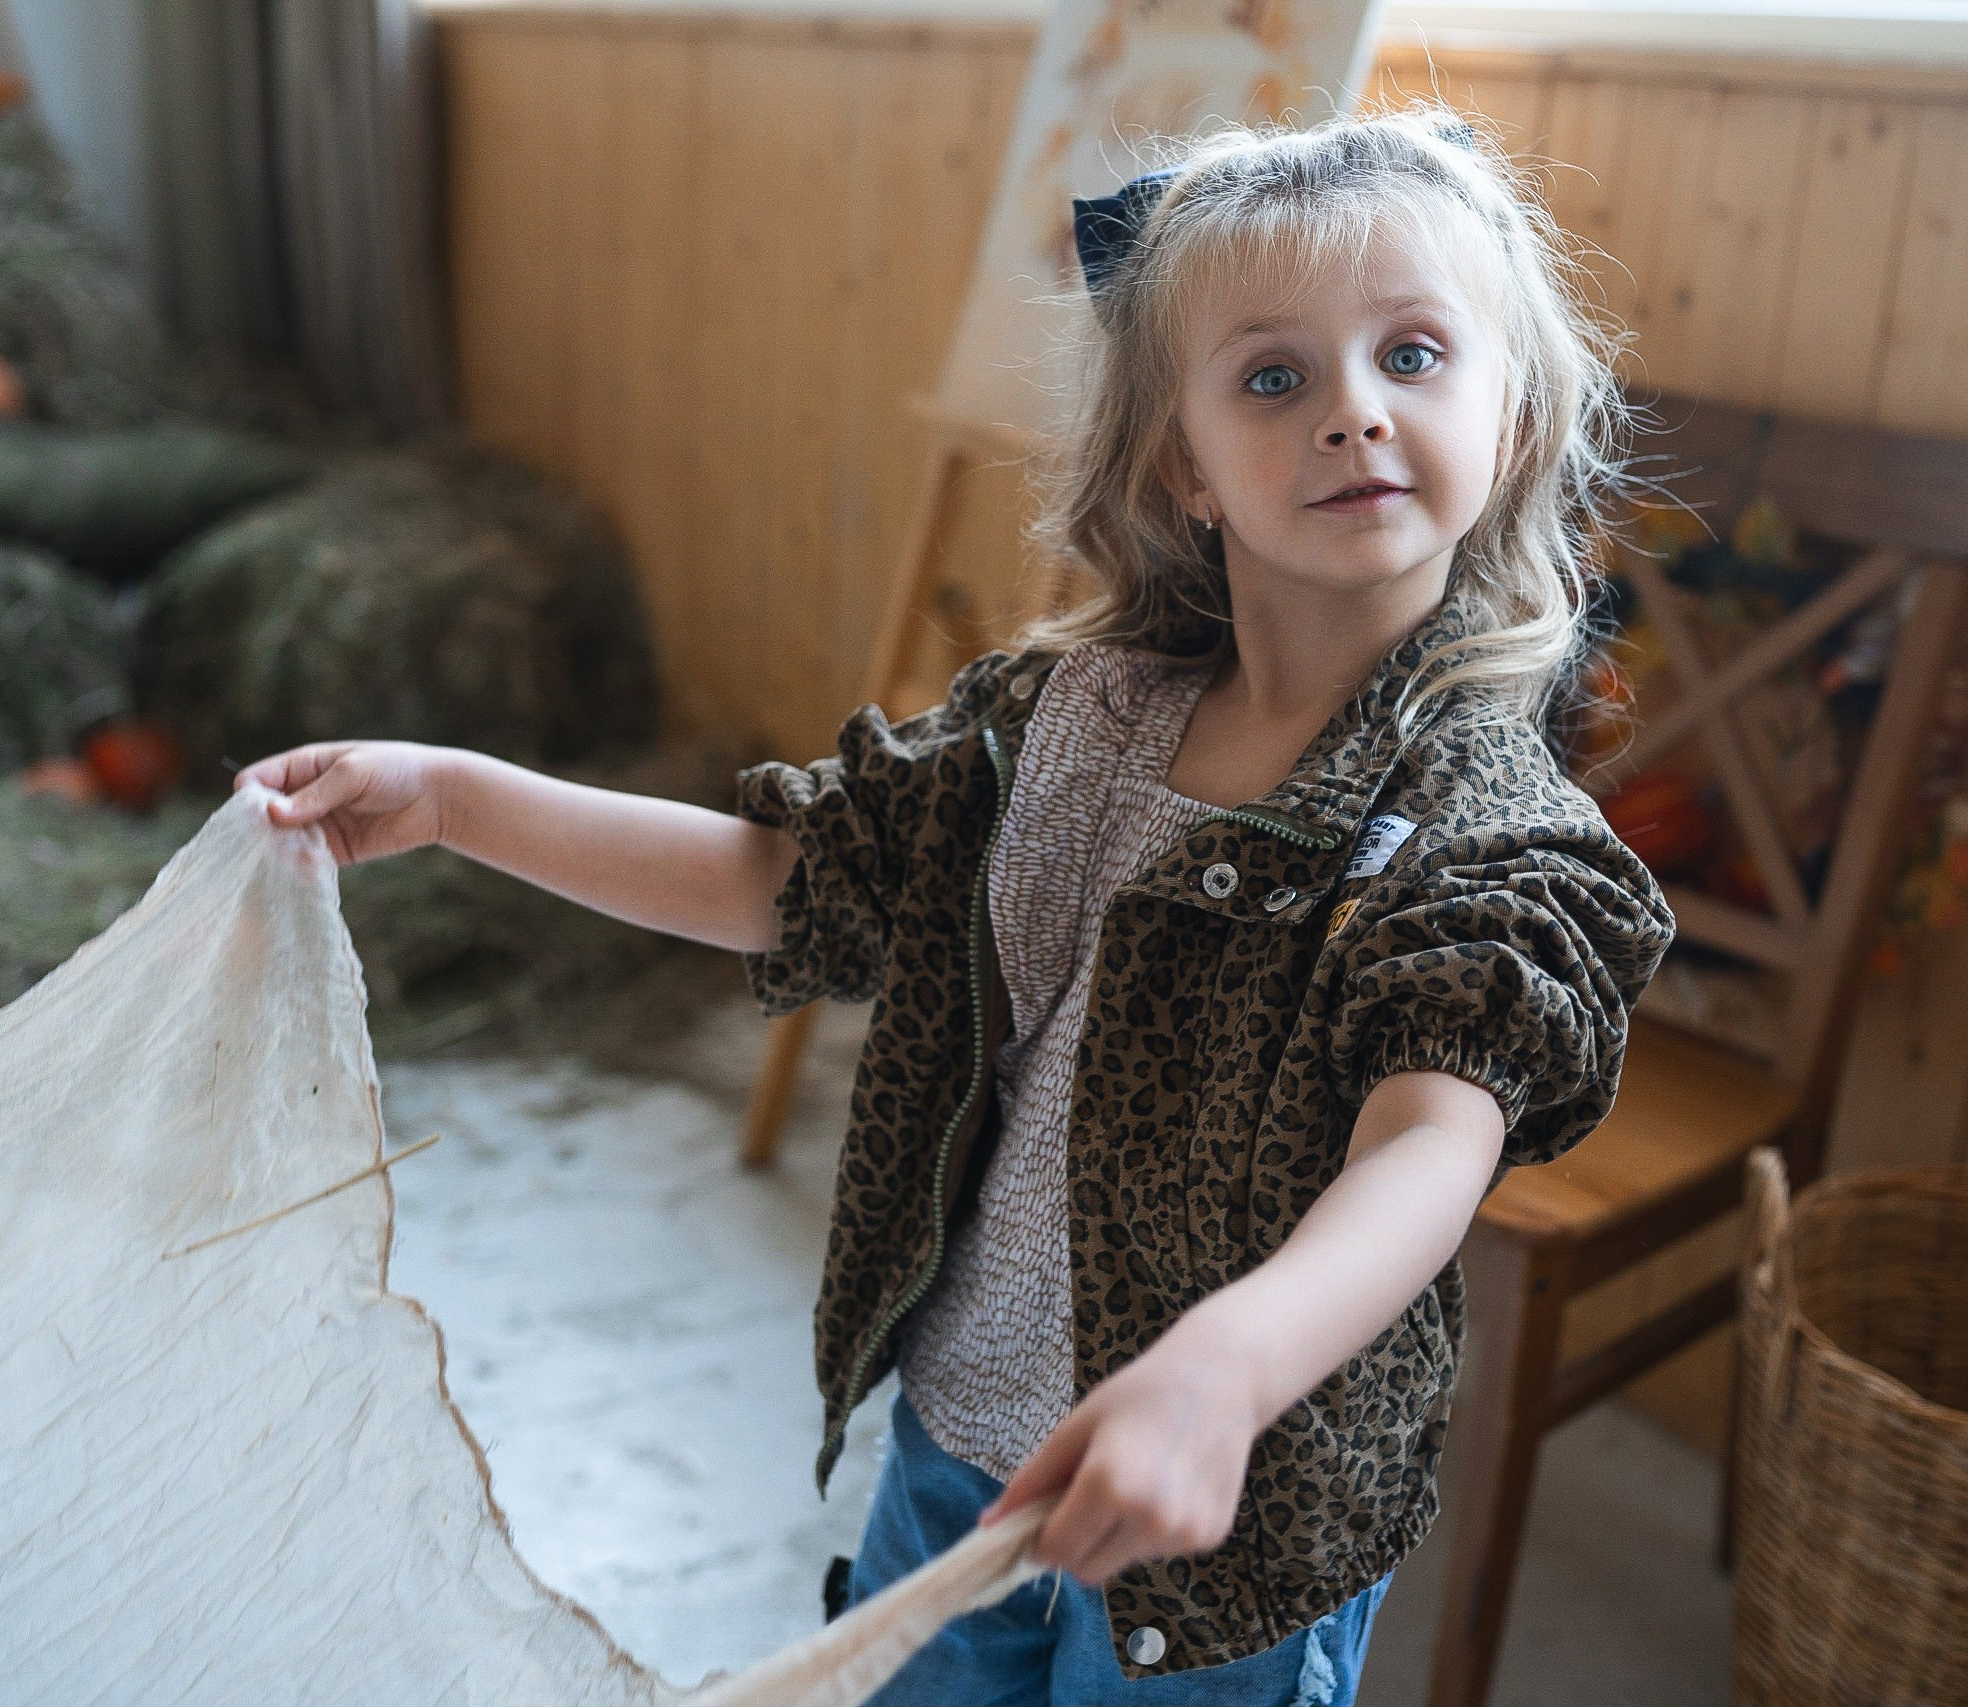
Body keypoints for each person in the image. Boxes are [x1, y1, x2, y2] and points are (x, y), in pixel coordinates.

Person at [239, 106, 1674, 1707]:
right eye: (1276, 376)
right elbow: (786, 883)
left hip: (1225, 1527)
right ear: (1183, 466)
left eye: (1414, 355)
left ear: (1515, 408)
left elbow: (1428, 1144)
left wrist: (1225, 1370)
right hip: (961, 1446)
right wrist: (457, 797)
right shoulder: (1061, 726)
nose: (1353, 412)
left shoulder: (1484, 829)